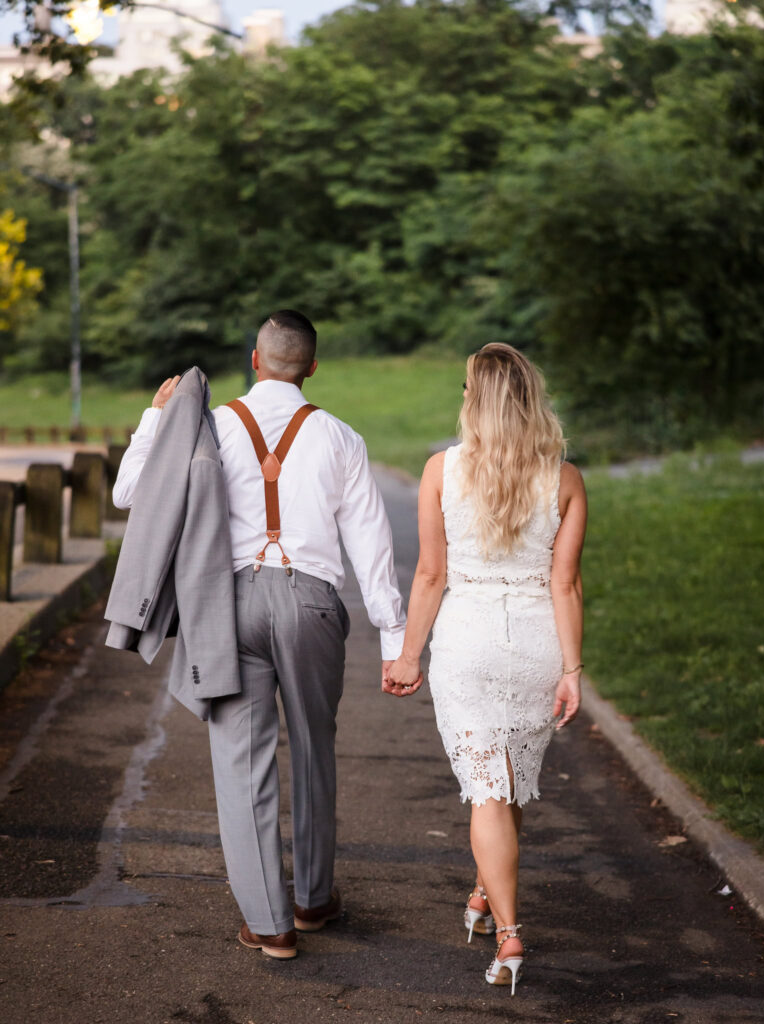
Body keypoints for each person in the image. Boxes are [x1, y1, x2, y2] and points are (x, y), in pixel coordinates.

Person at [113, 310, 406, 959]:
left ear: (254, 360)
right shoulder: (339, 437)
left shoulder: (208, 425)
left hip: (226, 601)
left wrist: (156, 418)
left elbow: (131, 492)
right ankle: (312, 900)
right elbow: (370, 543)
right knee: (313, 747)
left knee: (241, 761)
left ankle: (268, 923)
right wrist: (394, 639)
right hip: (311, 604)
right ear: (313, 366)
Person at [386, 343, 587, 995]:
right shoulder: (564, 478)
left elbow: (430, 573)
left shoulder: (442, 469)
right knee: (502, 783)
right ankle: (482, 893)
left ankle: (507, 934)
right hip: (534, 646)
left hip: (468, 642)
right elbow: (565, 583)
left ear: (474, 401)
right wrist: (572, 670)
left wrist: (407, 653)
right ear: (531, 400)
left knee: (492, 786)